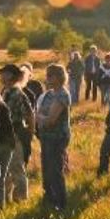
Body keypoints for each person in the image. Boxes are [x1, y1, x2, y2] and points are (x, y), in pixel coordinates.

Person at [36, 64, 71, 211]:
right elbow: (40, 114)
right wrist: (40, 117)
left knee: (55, 169)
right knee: (46, 168)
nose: (47, 78)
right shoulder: (49, 94)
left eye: (51, 75)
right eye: (47, 75)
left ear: (59, 77)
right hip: (45, 136)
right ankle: (48, 197)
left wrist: (38, 117)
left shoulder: (62, 94)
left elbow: (51, 119)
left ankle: (60, 202)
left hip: (57, 137)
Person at [0, 64, 34, 204]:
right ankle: (7, 198)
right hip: (7, 134)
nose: (1, 76)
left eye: (3, 73)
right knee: (6, 169)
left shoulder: (16, 93)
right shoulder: (6, 91)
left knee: (17, 167)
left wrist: (29, 133)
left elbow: (30, 114)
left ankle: (21, 199)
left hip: (15, 134)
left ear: (10, 75)